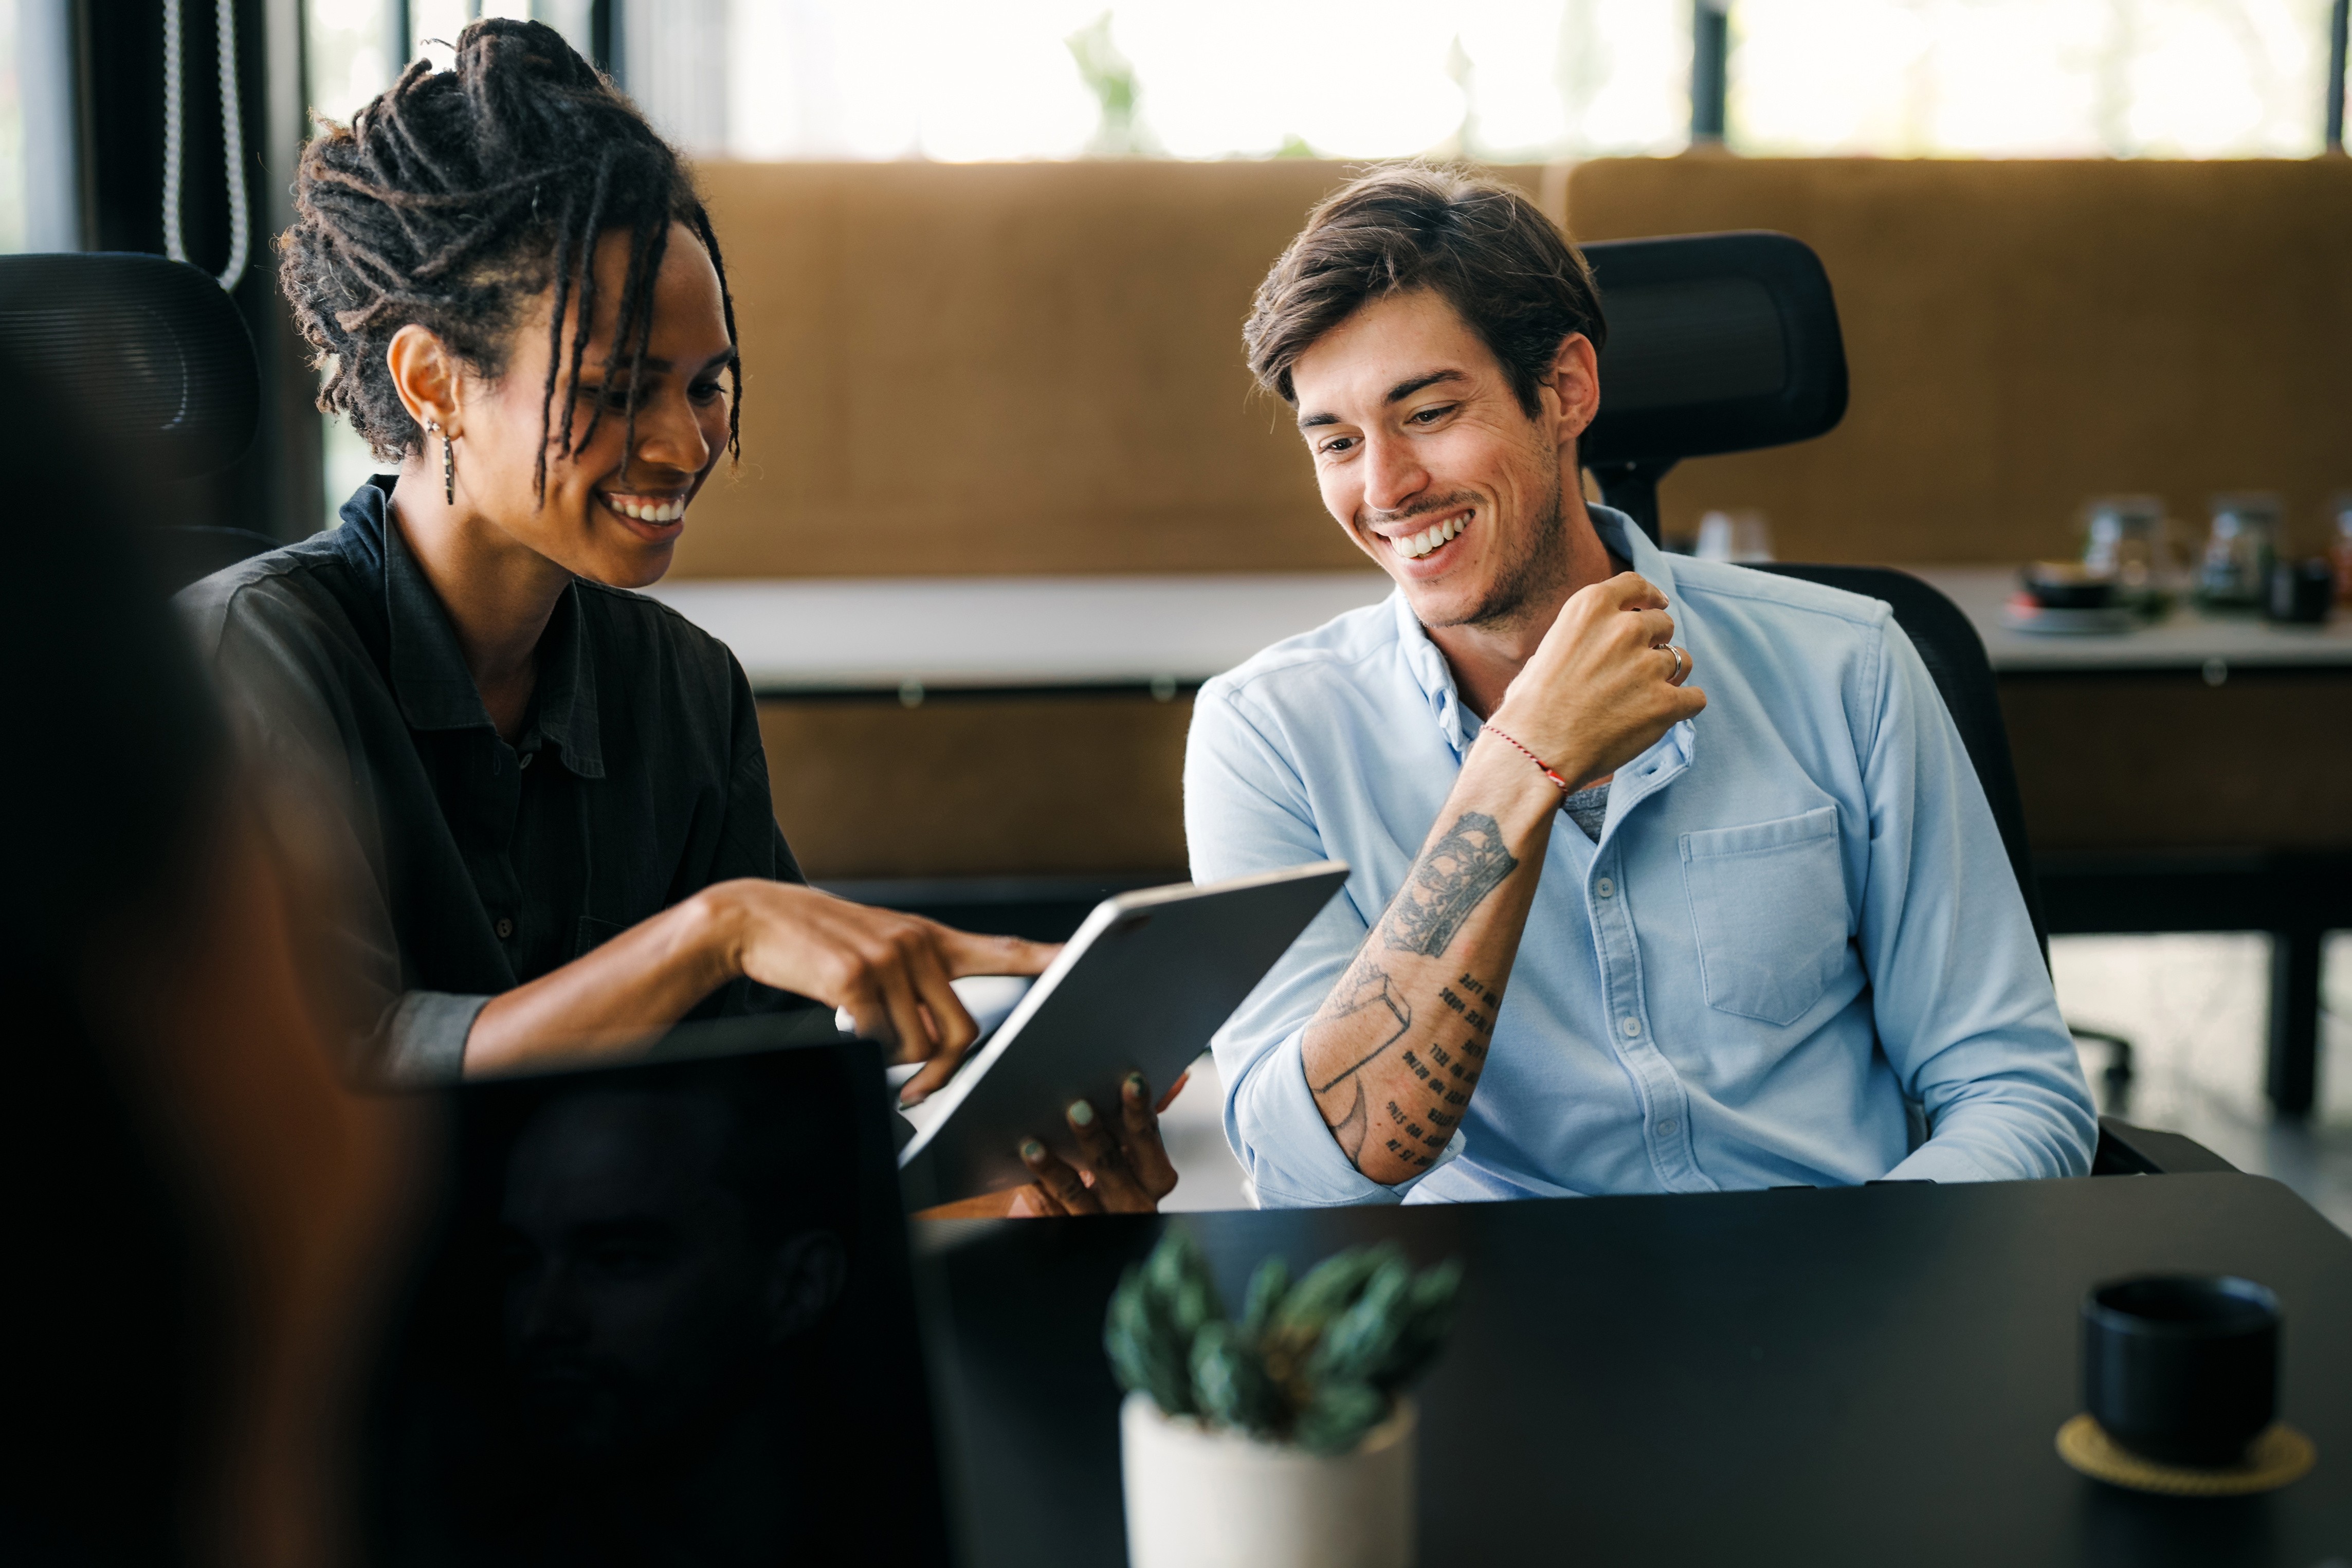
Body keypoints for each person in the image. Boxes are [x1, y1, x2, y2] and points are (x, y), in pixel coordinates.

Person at [179, 21, 1169, 1211]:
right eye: (613, 390)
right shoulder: (250, 659)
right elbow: (337, 1091)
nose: (686, 442)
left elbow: (761, 1123)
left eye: (707, 387)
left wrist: (1003, 1192)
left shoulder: (684, 689)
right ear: (434, 382)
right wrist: (713, 931)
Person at [1184, 165, 2096, 1207]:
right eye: (1337, 442)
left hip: (1830, 1283)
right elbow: (1308, 1181)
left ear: (1566, 388)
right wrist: (1516, 769)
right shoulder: (1266, 735)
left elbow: (2012, 1085)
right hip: (1497, 1324)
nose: (1383, 489)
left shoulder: (1846, 664)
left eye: (1428, 412)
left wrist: (1862, 1278)